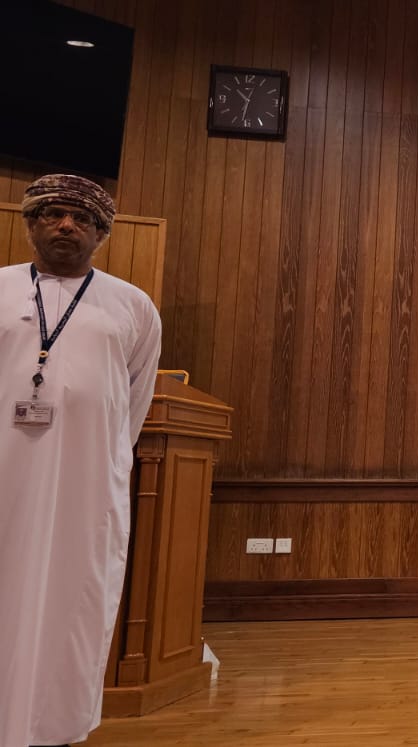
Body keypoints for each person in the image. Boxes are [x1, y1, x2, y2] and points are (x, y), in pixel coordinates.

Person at [0, 174, 162, 747]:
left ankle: (54, 726)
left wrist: (105, 462)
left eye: (83, 218)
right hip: (5, 476)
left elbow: (134, 402)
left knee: (72, 600)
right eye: (53, 214)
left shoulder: (132, 305)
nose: (67, 225)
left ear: (101, 233)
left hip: (85, 485)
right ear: (30, 224)